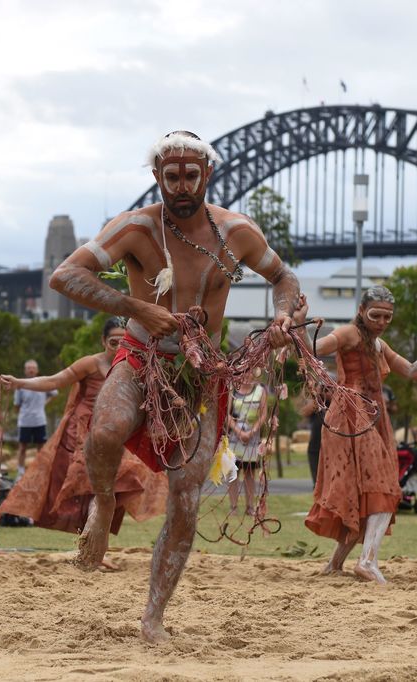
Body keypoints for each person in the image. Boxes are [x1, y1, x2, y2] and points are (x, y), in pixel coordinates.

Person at [49, 130, 299, 642]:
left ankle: (153, 617)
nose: (182, 186)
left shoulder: (237, 232)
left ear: (207, 175)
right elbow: (65, 275)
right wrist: (136, 307)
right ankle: (103, 503)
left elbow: (285, 281)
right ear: (157, 178)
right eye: (171, 177)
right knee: (105, 431)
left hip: (201, 373)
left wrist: (282, 319)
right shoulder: (136, 228)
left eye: (190, 176)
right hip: (141, 356)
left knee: (185, 498)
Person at [296, 288, 417, 584]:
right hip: (351, 415)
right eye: (375, 315)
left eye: (387, 317)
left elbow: (413, 371)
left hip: (370, 415)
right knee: (385, 487)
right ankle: (367, 562)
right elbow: (314, 349)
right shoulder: (349, 333)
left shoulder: (378, 344)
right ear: (361, 310)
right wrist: (301, 322)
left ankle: (336, 563)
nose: (381, 322)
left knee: (367, 490)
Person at [0, 319, 168, 557]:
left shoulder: (136, 365)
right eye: (113, 342)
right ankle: (91, 549)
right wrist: (19, 383)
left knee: (114, 487)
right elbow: (55, 380)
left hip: (117, 435)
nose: (118, 347)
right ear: (103, 341)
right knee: (91, 489)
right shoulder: (91, 363)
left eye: (124, 341)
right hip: (83, 434)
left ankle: (93, 547)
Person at [227, 378, 268, 515]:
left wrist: (251, 432)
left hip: (252, 437)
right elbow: (227, 414)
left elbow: (263, 414)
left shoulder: (260, 390)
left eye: (250, 370)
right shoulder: (232, 389)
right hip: (234, 437)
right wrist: (239, 432)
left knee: (250, 473)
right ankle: (233, 507)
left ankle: (249, 507)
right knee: (233, 472)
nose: (247, 374)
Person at [13, 359, 56, 476]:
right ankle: (20, 472)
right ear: (25, 370)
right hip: (25, 421)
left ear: (37, 370)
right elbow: (16, 404)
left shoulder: (43, 382)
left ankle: (40, 471)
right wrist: (24, 412)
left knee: (41, 447)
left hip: (39, 420)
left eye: (33, 368)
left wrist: (44, 403)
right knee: (22, 447)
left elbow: (54, 393)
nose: (31, 370)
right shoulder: (20, 385)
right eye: (29, 368)